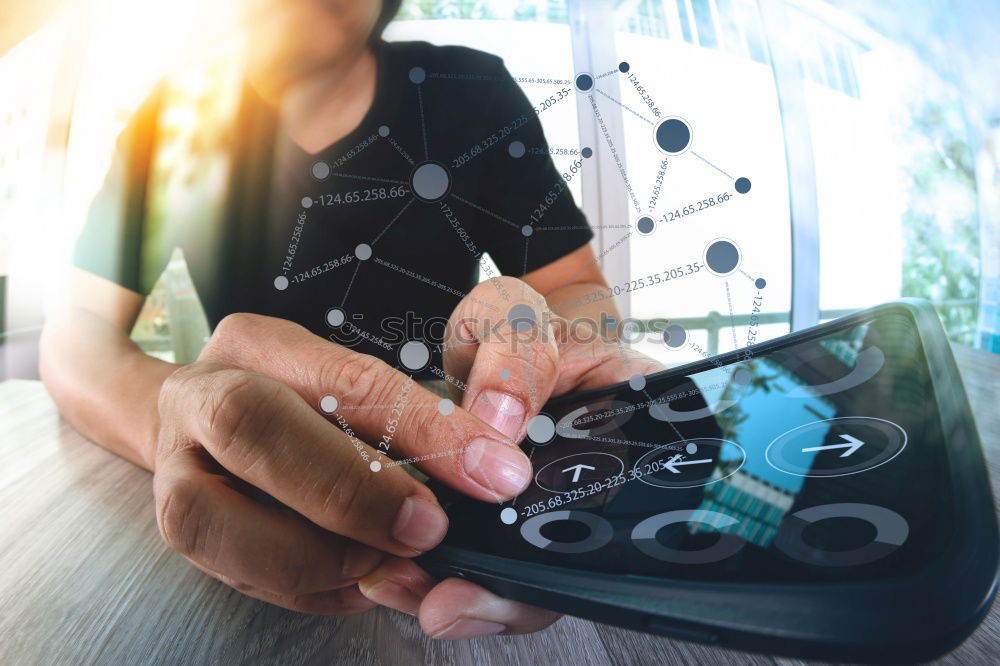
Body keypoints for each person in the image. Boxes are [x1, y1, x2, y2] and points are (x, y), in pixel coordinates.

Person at [40, 0, 662, 639]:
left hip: (470, 506)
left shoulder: (470, 93)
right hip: (250, 525)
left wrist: (543, 344)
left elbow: (575, 287)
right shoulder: (168, 120)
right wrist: (179, 419)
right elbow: (76, 327)